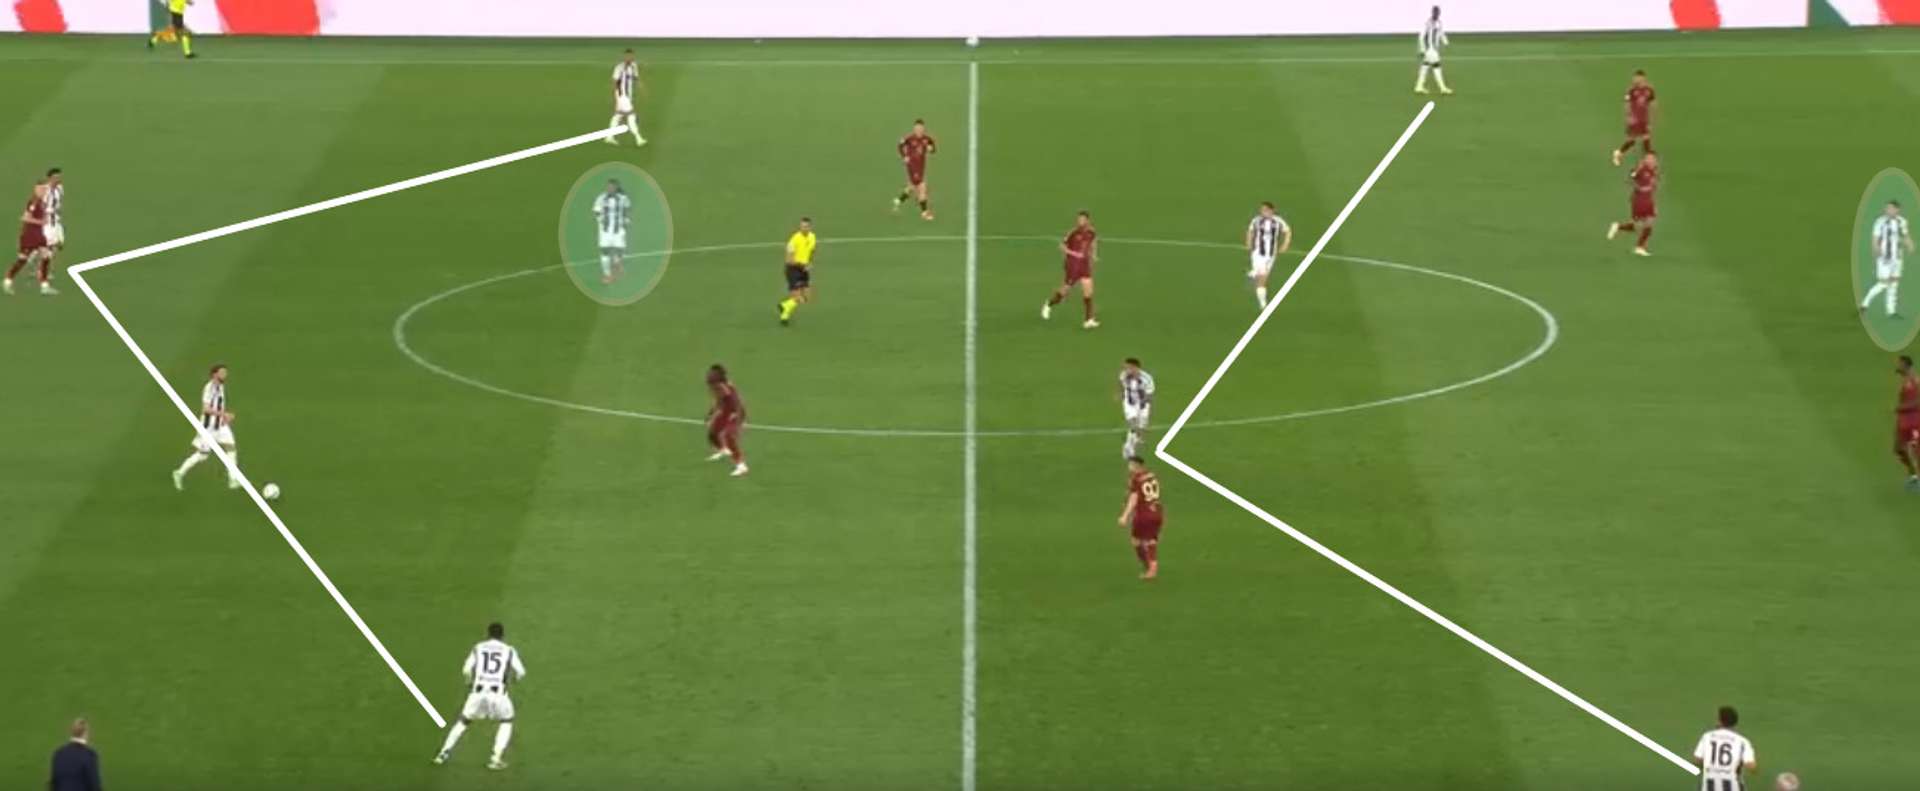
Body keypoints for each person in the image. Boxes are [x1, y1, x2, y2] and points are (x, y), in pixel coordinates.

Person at [435, 622, 527, 771]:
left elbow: (466, 670)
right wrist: (514, 680)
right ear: (502, 635)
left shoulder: (478, 648)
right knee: (506, 720)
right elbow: (521, 672)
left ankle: (443, 753)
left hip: (477, 692)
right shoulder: (509, 650)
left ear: (488, 634)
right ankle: (496, 758)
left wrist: (469, 682)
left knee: (463, 721)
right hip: (498, 694)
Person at [172, 364, 240, 491]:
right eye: (222, 372)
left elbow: (218, 405)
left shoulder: (220, 387)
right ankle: (179, 473)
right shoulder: (209, 388)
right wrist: (223, 414)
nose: (225, 375)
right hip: (208, 428)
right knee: (202, 455)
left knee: (231, 448)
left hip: (220, 426)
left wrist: (223, 418)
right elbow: (206, 409)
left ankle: (232, 480)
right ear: (214, 374)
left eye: (225, 372)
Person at [1042, 210, 1099, 329]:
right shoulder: (1073, 233)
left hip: (1084, 266)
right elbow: (1062, 246)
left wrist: (1094, 255)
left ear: (1087, 220)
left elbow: (1093, 242)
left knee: (1088, 292)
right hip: (1073, 266)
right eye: (1079, 219)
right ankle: (1049, 304)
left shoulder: (1091, 232)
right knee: (1065, 291)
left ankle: (1088, 320)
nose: (1080, 221)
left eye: (1082, 219)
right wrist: (1074, 253)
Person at [1861, 200, 1914, 318]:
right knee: (1883, 283)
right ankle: (1865, 304)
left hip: (1897, 258)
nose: (1887, 210)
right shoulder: (1880, 222)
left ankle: (1891, 311)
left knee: (1894, 283)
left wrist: (1910, 244)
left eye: (1890, 208)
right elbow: (1875, 238)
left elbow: (1905, 236)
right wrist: (1875, 250)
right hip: (1884, 258)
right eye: (1887, 208)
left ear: (1897, 210)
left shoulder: (1902, 222)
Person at [5, 179, 55, 296]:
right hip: (29, 236)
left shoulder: (43, 202)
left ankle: (44, 286)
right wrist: (40, 222)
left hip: (39, 235)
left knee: (46, 256)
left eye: (44, 189)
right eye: (40, 189)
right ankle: (8, 280)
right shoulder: (34, 202)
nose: (42, 191)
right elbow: (25, 217)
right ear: (35, 189)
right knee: (23, 259)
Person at [1118, 456, 1164, 579]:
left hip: (1143, 514)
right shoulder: (1152, 475)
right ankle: (1151, 566)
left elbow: (1134, 498)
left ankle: (1149, 567)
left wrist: (1125, 516)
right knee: (1152, 540)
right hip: (1157, 512)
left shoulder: (1135, 478)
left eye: (1131, 464)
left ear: (1136, 465)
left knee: (1136, 541)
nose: (1129, 467)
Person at [1691, 705, 1757, 791]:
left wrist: (1712, 767)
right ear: (1735, 722)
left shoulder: (1707, 737)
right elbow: (1751, 767)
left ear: (1719, 721)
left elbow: (1696, 760)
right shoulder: (1742, 742)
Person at [1606, 151, 1659, 256]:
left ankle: (1638, 246)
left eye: (1653, 159)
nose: (1652, 161)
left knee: (1647, 224)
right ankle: (1621, 229)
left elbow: (1653, 187)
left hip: (1648, 200)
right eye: (1649, 158)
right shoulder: (1641, 169)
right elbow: (1630, 180)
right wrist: (1638, 186)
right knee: (1639, 226)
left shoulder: (1653, 171)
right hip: (1639, 200)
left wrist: (1654, 203)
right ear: (1645, 160)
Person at [705, 364, 749, 477]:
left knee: (729, 437)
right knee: (712, 433)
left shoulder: (726, 387)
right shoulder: (715, 386)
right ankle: (723, 450)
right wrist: (711, 413)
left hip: (735, 412)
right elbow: (718, 401)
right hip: (726, 411)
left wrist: (738, 418)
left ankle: (741, 466)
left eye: (712, 374)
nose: (709, 375)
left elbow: (737, 403)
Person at [1245, 201, 1291, 308]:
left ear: (1272, 210)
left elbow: (1287, 231)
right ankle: (1263, 303)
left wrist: (1285, 244)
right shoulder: (1257, 221)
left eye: (1265, 210)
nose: (1262, 212)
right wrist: (1248, 242)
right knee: (1262, 279)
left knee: (1263, 276)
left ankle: (1254, 273)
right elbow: (1250, 231)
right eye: (1262, 210)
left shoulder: (1278, 221)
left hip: (1271, 255)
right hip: (1258, 254)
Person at [893, 119, 937, 220]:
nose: (919, 130)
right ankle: (924, 213)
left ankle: (898, 201)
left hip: (921, 166)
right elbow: (900, 145)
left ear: (923, 129)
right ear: (914, 129)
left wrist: (931, 149)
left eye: (920, 128)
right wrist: (904, 156)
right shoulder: (909, 138)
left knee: (912, 187)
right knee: (922, 187)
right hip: (912, 166)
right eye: (917, 128)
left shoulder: (927, 139)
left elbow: (933, 149)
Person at [777, 217, 817, 325]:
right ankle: (785, 315)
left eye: (807, 226)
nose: (804, 228)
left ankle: (785, 306)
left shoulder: (812, 237)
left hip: (804, 269)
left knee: (806, 297)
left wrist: (809, 262)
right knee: (796, 296)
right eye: (802, 226)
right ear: (800, 227)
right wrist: (802, 264)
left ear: (810, 227)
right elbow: (788, 260)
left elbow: (812, 251)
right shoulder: (793, 240)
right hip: (793, 270)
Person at [1612, 70, 1657, 166]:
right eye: (1635, 78)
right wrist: (1628, 117)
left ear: (1643, 78)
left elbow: (1653, 104)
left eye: (1637, 78)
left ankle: (1648, 162)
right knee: (1632, 140)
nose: (1635, 80)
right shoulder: (1631, 90)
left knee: (1646, 140)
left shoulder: (1649, 90)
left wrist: (1651, 120)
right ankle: (1618, 153)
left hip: (1644, 119)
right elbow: (1627, 104)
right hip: (1634, 120)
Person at [592, 179, 632, 285]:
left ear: (616, 188)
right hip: (605, 231)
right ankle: (607, 275)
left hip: (618, 230)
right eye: (608, 187)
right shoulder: (601, 198)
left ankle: (616, 262)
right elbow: (596, 210)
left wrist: (627, 219)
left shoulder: (623, 198)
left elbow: (627, 208)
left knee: (620, 250)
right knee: (604, 251)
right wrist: (600, 219)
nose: (610, 189)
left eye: (612, 187)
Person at [49, 717, 102, 791]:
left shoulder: (59, 754)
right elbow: (94, 785)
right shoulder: (89, 755)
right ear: (86, 733)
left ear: (72, 732)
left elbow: (54, 784)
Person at [605, 49, 645, 146]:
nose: (629, 58)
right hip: (622, 95)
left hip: (628, 95)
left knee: (618, 115)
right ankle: (638, 138)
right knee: (631, 115)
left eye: (631, 56)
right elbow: (615, 81)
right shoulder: (619, 68)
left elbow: (635, 77)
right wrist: (617, 97)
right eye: (627, 56)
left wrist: (640, 85)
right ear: (624, 57)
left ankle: (609, 137)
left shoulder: (634, 66)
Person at [1118, 358, 1156, 459]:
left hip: (1143, 404)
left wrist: (1144, 407)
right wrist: (1121, 394)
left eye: (1129, 368)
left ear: (1136, 368)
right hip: (1130, 404)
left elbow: (1149, 394)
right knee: (1133, 425)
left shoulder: (1147, 379)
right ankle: (1129, 449)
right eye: (1126, 368)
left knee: (1141, 428)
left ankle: (1130, 444)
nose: (1127, 370)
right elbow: (1121, 384)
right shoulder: (1124, 375)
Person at [1893, 355, 1920, 491]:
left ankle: (1917, 479)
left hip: (1913, 420)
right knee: (1898, 449)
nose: (1897, 366)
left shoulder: (1914, 381)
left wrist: (1901, 408)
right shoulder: (1905, 380)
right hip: (1903, 420)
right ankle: (1914, 476)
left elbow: (1917, 402)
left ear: (1906, 365)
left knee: (1916, 450)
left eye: (1900, 364)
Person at [1414, 5, 1452, 95]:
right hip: (1430, 49)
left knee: (1425, 67)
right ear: (1432, 13)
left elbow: (1441, 33)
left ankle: (1419, 87)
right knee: (1436, 67)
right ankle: (1442, 88)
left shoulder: (1439, 23)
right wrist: (1422, 49)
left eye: (1438, 13)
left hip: (1434, 49)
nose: (1437, 14)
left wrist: (1445, 42)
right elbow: (1421, 36)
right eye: (1435, 12)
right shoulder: (1428, 23)